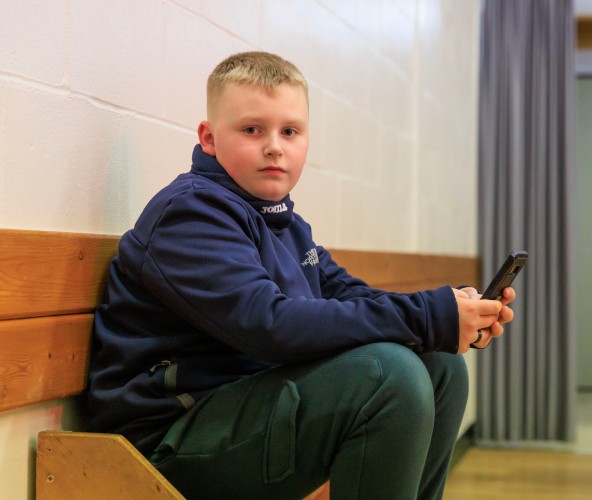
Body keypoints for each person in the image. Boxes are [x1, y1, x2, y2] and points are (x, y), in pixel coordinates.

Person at [86, 51, 516, 500]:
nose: (274, 145)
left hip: (240, 417)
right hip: (166, 445)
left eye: (289, 131)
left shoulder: (284, 223)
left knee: (439, 365)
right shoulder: (190, 214)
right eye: (252, 129)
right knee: (387, 376)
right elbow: (270, 325)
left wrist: (451, 310)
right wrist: (430, 316)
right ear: (209, 138)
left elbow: (349, 295)